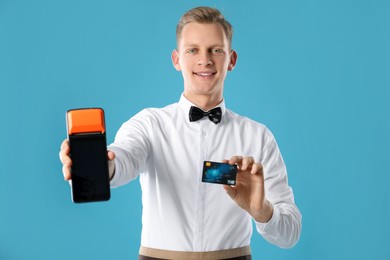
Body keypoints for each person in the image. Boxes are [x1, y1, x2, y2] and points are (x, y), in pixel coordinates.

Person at [60, 6, 301, 260]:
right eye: (193, 50)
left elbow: (290, 234)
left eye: (215, 50)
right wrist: (99, 165)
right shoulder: (149, 124)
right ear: (177, 59)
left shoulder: (258, 136)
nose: (204, 60)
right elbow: (125, 156)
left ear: (231, 60)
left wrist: (261, 210)